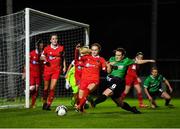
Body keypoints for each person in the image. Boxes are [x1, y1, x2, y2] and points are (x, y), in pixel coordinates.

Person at [92, 48, 144, 114]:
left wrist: (150, 60)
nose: (117, 56)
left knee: (107, 92)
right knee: (120, 104)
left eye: (119, 55)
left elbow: (138, 61)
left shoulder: (126, 60)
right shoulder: (112, 59)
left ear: (123, 56)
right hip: (109, 80)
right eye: (116, 55)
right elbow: (108, 71)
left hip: (118, 81)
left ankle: (94, 103)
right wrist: (109, 65)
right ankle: (133, 109)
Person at [75, 43, 106, 112]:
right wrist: (77, 50)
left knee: (87, 90)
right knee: (80, 97)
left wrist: (104, 68)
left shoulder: (101, 59)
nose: (94, 51)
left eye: (96, 50)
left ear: (99, 50)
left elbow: (104, 66)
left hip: (94, 80)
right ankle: (82, 109)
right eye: (92, 50)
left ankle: (79, 106)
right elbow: (77, 58)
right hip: (84, 80)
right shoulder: (86, 57)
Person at [40, 33, 66, 110]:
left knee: (52, 88)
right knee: (45, 88)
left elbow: (63, 57)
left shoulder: (61, 48)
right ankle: (44, 102)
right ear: (50, 40)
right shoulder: (46, 48)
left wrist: (64, 66)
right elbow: (41, 57)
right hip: (47, 70)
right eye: (53, 39)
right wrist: (44, 59)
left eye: (56, 38)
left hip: (56, 70)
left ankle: (49, 104)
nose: (55, 40)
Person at [22, 41, 44, 108]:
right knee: (32, 88)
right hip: (31, 73)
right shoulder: (31, 53)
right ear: (37, 46)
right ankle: (26, 92)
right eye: (40, 46)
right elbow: (26, 63)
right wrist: (24, 72)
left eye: (42, 46)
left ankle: (32, 104)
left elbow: (43, 64)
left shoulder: (42, 54)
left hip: (38, 74)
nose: (41, 47)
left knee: (36, 89)